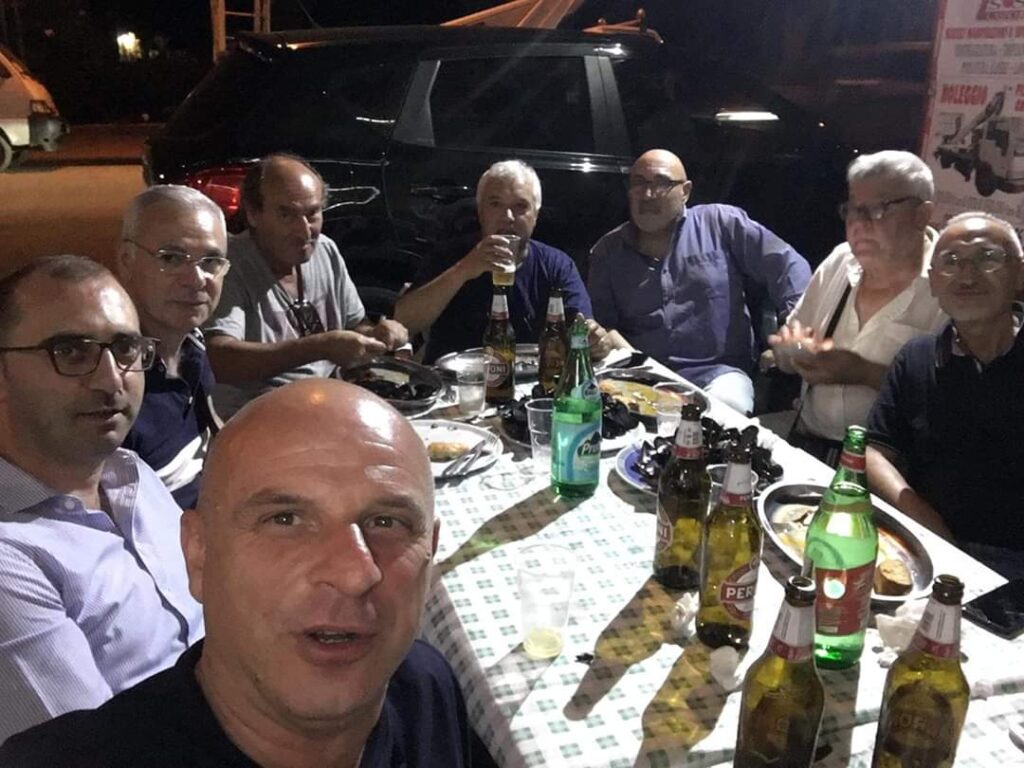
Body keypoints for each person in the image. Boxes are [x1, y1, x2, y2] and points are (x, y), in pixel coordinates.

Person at [0, 379, 470, 766]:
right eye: (284, 519)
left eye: (387, 523)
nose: (354, 573)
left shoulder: (422, 687)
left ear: (430, 549)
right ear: (198, 555)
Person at [0, 256, 203, 742]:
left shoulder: (132, 473)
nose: (112, 380)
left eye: (126, 348)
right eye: (71, 352)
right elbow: (91, 753)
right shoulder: (10, 559)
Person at [589, 148, 811, 414]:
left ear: (685, 191)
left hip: (719, 374)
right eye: (639, 183)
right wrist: (639, 368)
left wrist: (794, 331)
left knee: (723, 413)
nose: (647, 194)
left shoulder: (721, 224)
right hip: (641, 377)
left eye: (661, 183)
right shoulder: (608, 251)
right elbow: (604, 324)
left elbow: (788, 266)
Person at [865, 212, 1024, 580]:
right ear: (934, 282)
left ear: (1019, 274)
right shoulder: (917, 357)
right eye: (951, 262)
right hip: (925, 544)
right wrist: (926, 525)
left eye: (988, 258)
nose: (967, 276)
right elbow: (875, 451)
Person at [769, 150, 947, 463]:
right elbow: (788, 343)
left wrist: (863, 372)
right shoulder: (841, 260)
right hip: (808, 444)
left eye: (878, 209)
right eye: (853, 209)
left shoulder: (948, 286)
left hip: (891, 469)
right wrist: (794, 351)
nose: (859, 224)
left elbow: (947, 402)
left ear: (921, 215)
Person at [204, 153, 409, 417]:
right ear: (253, 214)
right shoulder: (231, 265)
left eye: (312, 214)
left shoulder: (325, 250)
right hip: (257, 417)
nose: (304, 231)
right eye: (286, 215)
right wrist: (320, 346)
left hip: (326, 405)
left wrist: (377, 335)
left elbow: (355, 326)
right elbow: (221, 360)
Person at [395, 159, 625, 363]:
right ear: (481, 212)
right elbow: (404, 322)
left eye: (520, 206)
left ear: (536, 215)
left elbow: (584, 328)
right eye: (495, 204)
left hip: (532, 380)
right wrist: (464, 269)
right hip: (460, 380)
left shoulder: (557, 265)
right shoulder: (448, 256)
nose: (507, 217)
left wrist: (596, 341)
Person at [117, 185, 228, 508]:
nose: (197, 279)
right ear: (126, 260)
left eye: (211, 262)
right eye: (171, 258)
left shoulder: (192, 342)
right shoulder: (110, 374)